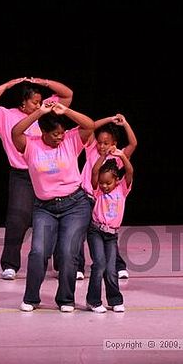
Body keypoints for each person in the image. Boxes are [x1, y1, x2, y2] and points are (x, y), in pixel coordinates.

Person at [0, 77, 73, 280]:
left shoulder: (46, 112)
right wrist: (6, 85)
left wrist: (45, 83)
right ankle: (10, 264)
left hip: (48, 172)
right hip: (22, 174)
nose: (39, 105)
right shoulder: (5, 115)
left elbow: (67, 94)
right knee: (17, 218)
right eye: (34, 102)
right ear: (23, 102)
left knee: (55, 217)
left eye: (40, 101)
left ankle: (60, 262)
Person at [12, 100, 94, 313]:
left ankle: (66, 298)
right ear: (43, 132)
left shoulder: (71, 141)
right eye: (56, 133)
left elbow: (89, 126)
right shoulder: (31, 145)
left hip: (75, 205)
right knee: (38, 252)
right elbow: (15, 132)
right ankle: (31, 297)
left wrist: (65, 110)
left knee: (68, 253)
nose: (60, 137)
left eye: (62, 132)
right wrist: (40, 112)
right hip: (45, 208)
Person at [79, 114, 137, 279]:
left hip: (103, 200)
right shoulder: (91, 149)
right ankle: (78, 268)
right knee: (80, 232)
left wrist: (124, 124)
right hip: (86, 196)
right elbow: (90, 125)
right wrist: (110, 119)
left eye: (106, 143)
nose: (102, 146)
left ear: (114, 144)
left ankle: (117, 265)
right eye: (100, 142)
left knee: (108, 233)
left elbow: (133, 144)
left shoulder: (117, 158)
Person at [86, 147, 134, 313]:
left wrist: (122, 155)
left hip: (111, 235)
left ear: (117, 180)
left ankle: (115, 300)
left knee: (112, 269)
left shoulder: (122, 189)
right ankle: (93, 300)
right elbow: (94, 171)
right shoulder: (98, 190)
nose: (104, 186)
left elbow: (129, 171)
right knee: (99, 265)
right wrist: (104, 156)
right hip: (95, 231)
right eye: (102, 183)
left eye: (108, 182)